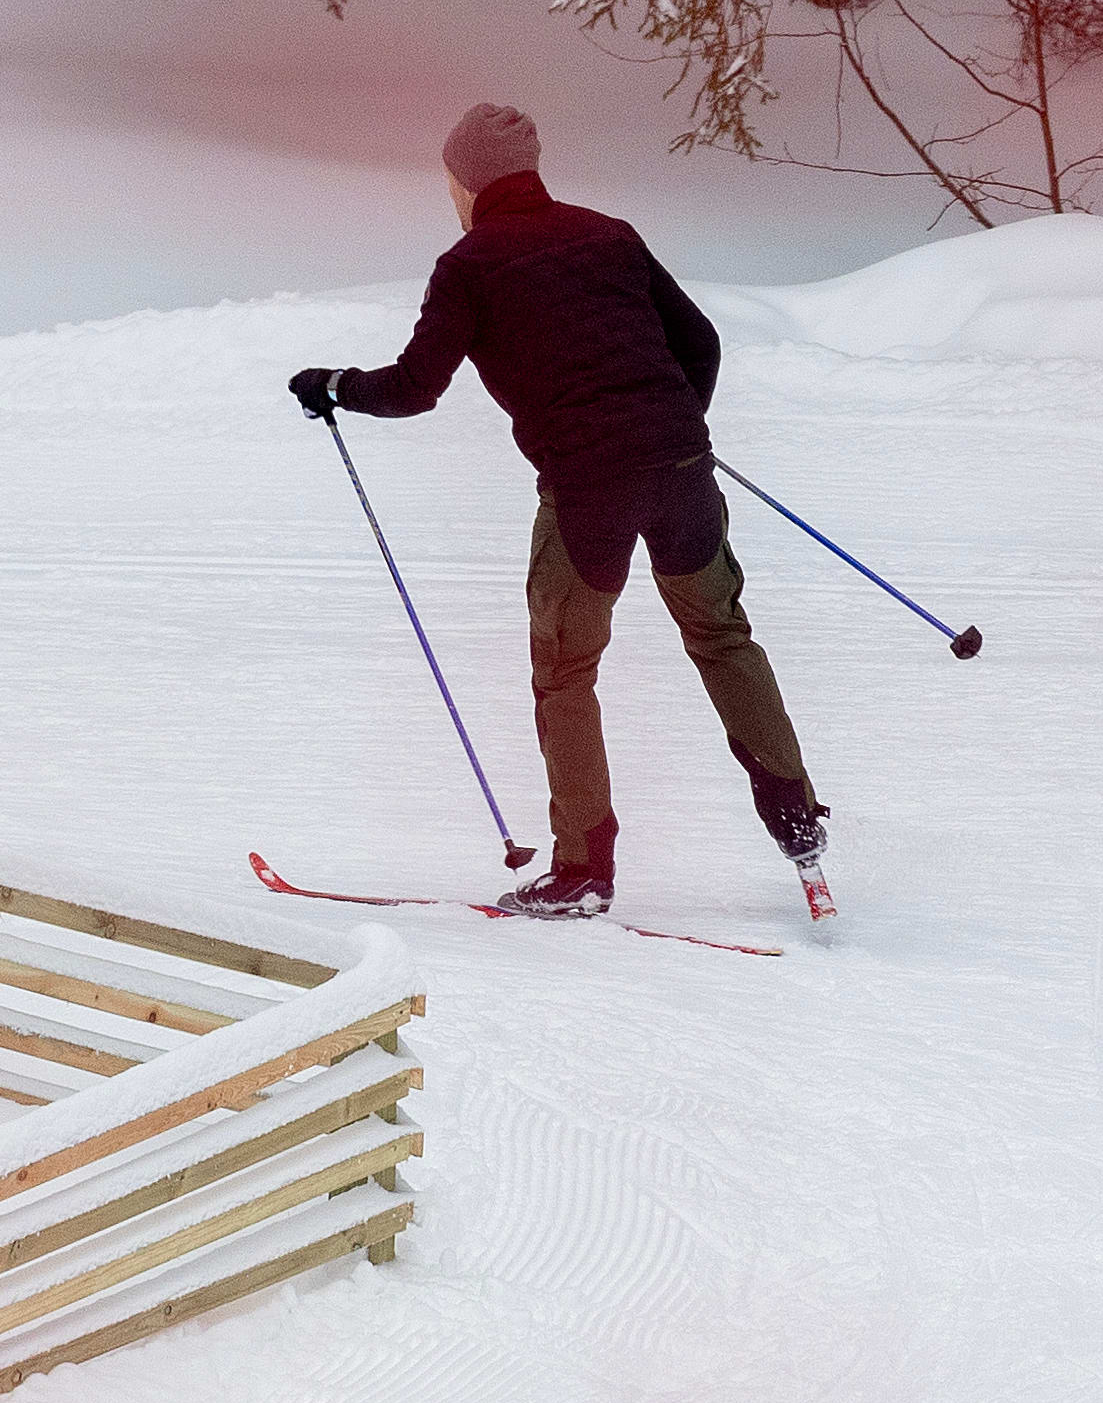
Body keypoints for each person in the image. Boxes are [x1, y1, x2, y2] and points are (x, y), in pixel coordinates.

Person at [292, 106, 832, 928]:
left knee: (565, 672)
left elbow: (415, 388)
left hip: (586, 492)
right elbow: (702, 344)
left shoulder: (468, 265)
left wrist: (334, 385)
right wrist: (671, 429)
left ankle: (583, 869)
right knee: (722, 638)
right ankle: (798, 825)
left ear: (468, 178)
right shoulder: (609, 235)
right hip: (683, 470)